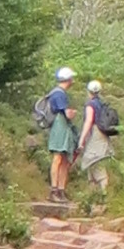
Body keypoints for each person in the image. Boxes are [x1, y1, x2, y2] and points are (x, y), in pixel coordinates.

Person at [76, 78, 120, 206]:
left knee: (94, 161)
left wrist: (81, 139)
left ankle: (103, 196)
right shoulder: (101, 103)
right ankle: (93, 198)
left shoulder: (90, 105)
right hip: (103, 135)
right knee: (93, 163)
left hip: (95, 135)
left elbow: (89, 121)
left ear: (88, 91)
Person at [37, 67, 78, 204]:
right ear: (68, 79)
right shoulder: (59, 94)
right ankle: (55, 190)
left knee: (63, 158)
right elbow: (66, 114)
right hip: (60, 127)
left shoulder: (56, 92)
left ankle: (60, 190)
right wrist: (72, 113)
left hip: (60, 127)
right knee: (59, 157)